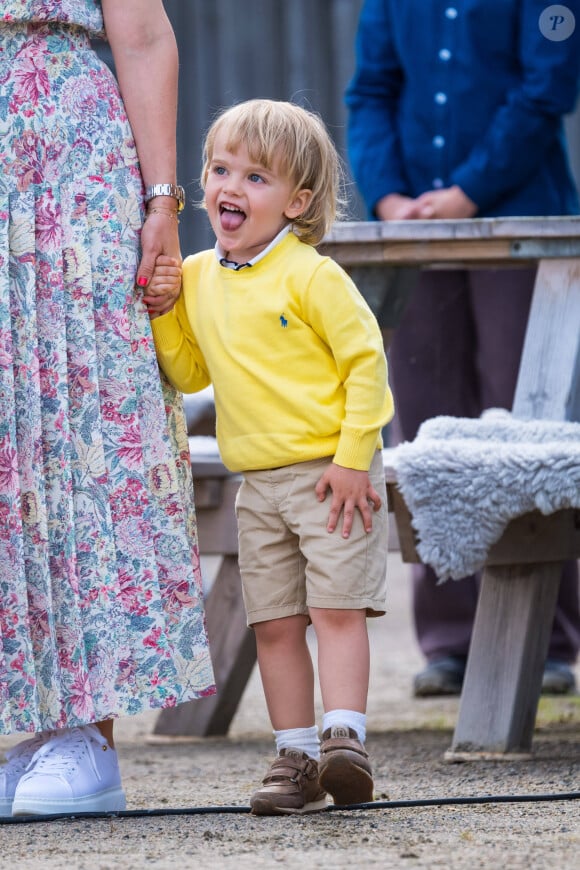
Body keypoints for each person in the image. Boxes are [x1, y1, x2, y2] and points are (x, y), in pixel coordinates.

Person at [0, 0, 215, 819]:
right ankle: (36, 726)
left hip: (64, 151)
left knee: (80, 420)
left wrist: (163, 202)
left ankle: (87, 734)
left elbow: (145, 32)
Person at [149, 98, 394, 814]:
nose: (232, 186)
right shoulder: (197, 276)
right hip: (256, 482)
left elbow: (367, 363)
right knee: (275, 622)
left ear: (299, 201)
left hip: (333, 476)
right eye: (222, 169)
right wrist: (166, 313)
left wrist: (354, 458)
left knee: (335, 608)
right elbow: (191, 374)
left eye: (258, 177)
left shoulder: (311, 275)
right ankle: (296, 759)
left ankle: (344, 740)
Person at [345, 0, 580, 697]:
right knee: (425, 419)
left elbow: (548, 88)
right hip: (415, 236)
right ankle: (449, 638)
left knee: (525, 423)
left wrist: (468, 192)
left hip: (523, 225)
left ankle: (549, 638)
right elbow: (371, 91)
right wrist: (387, 197)